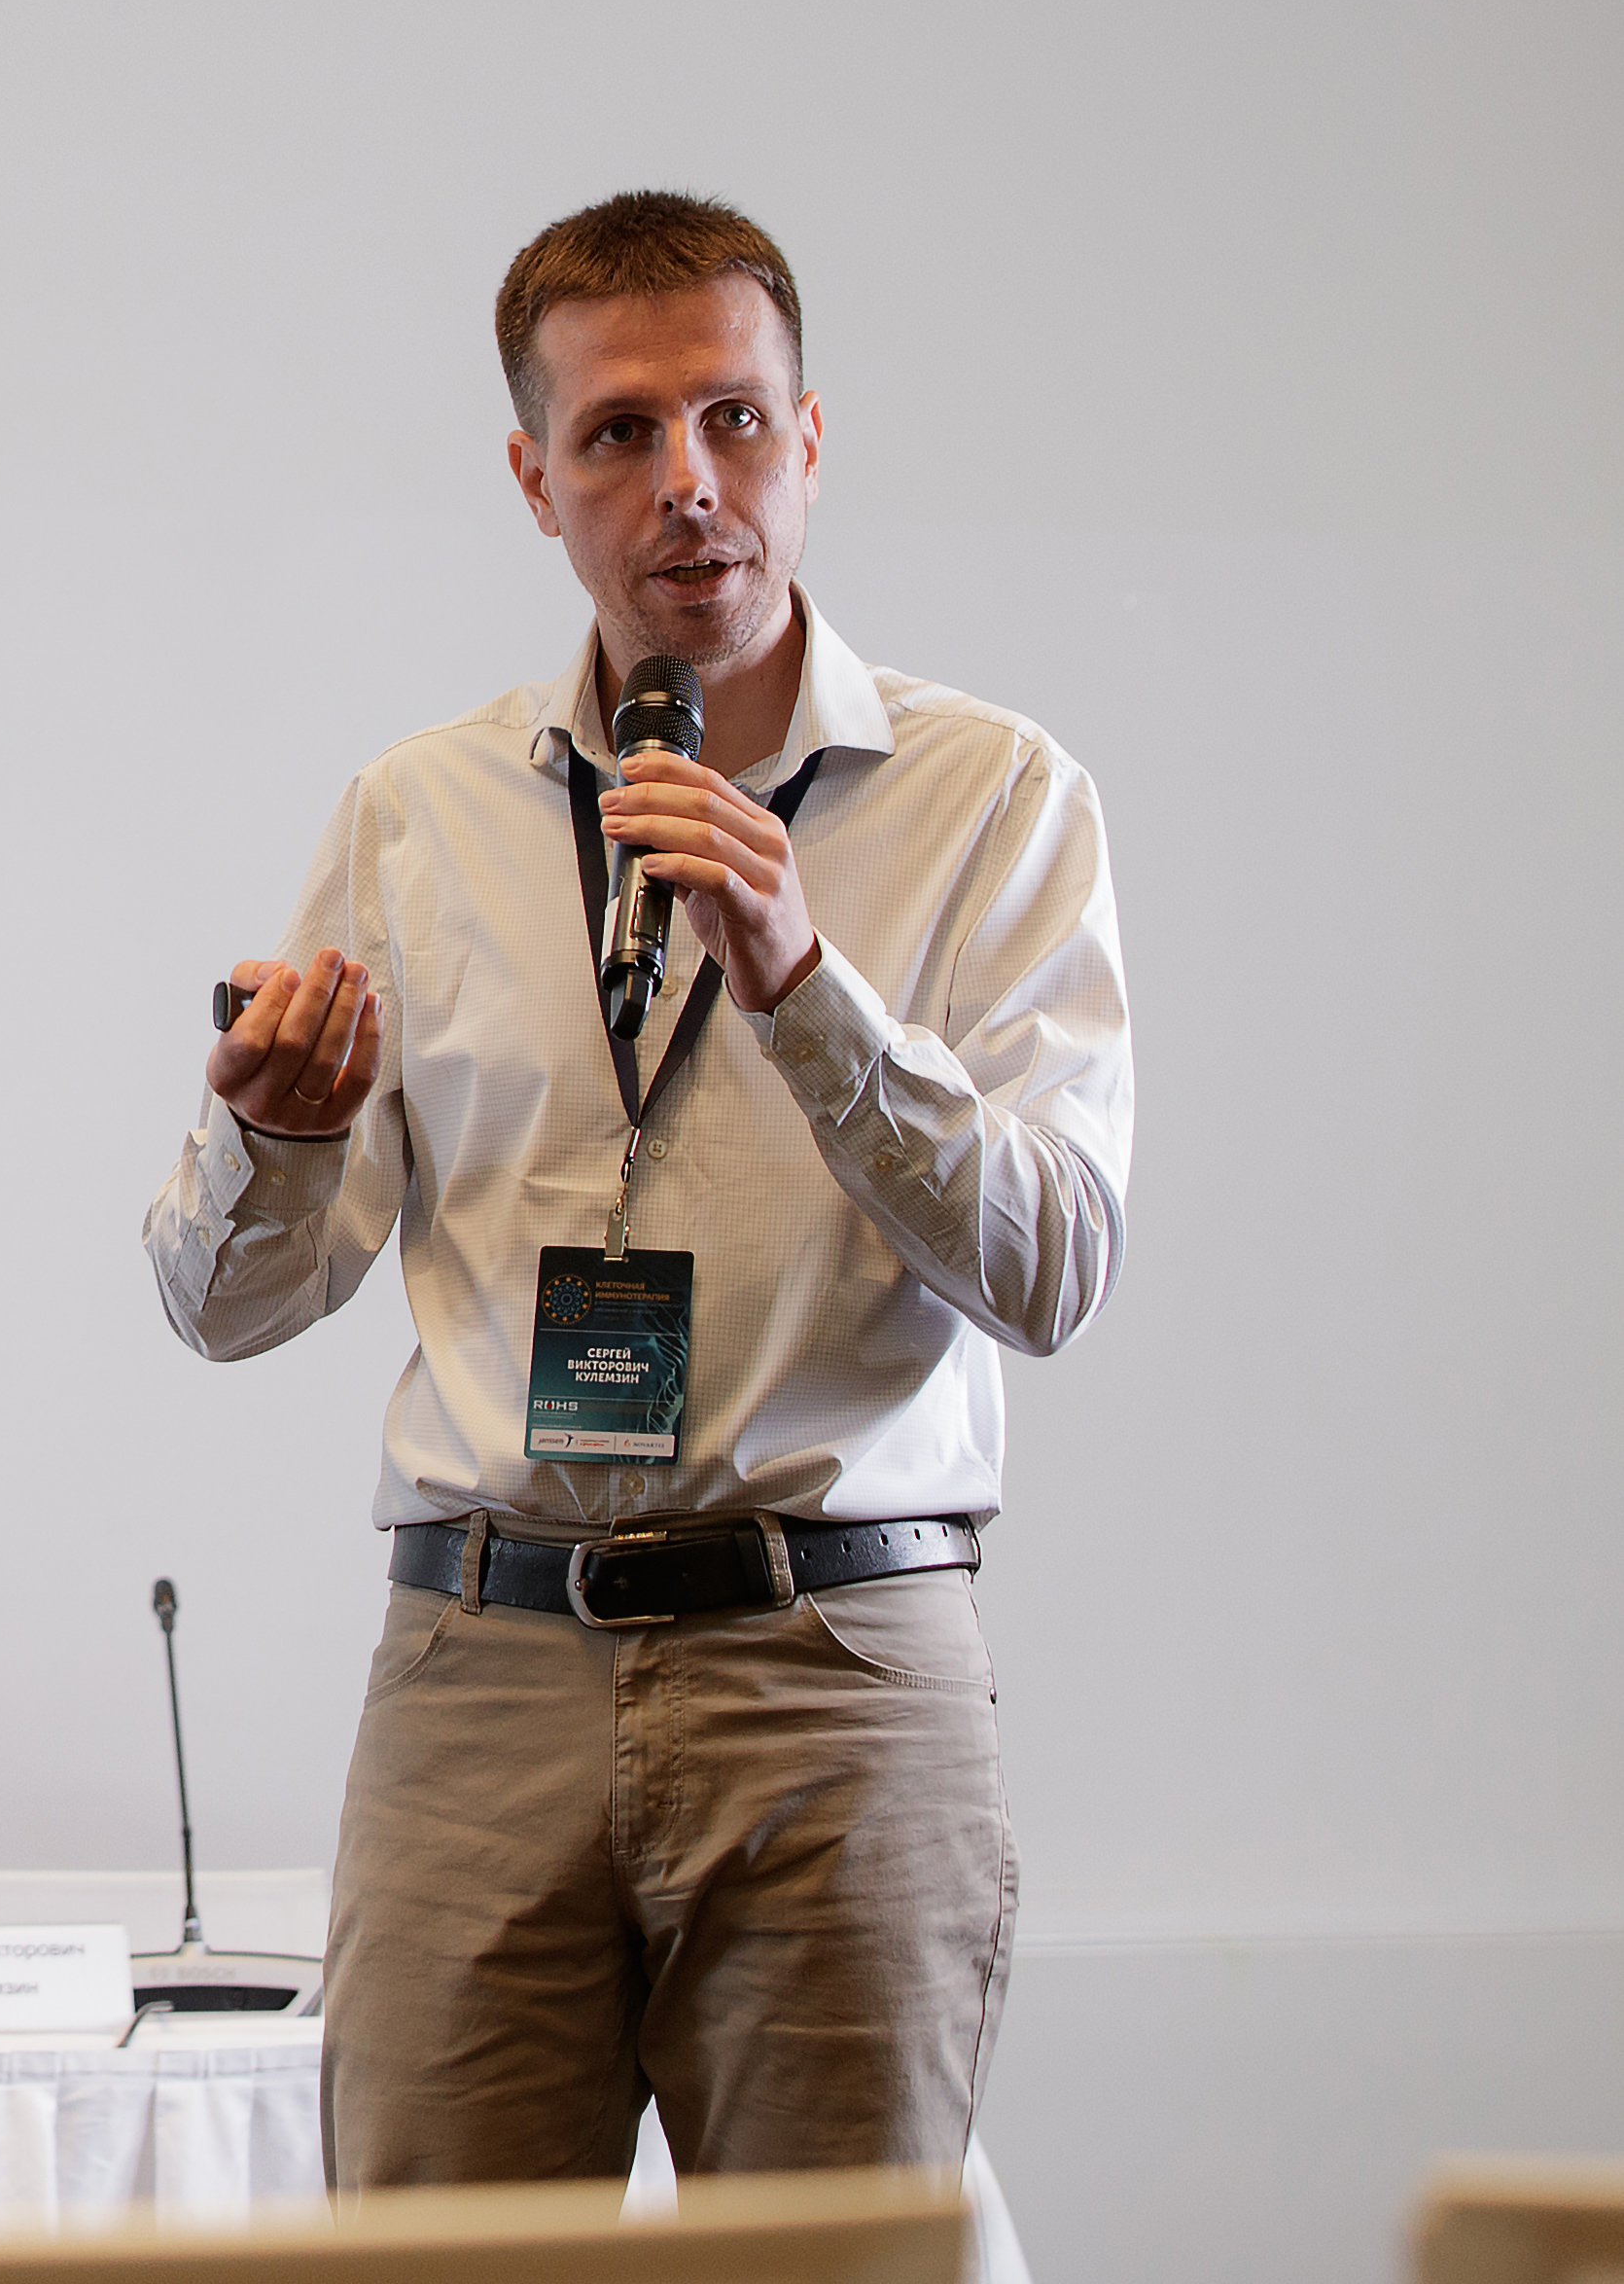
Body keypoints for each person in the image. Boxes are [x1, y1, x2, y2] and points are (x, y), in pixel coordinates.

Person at [145, 190, 1132, 2198]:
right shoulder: (418, 816)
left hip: (833, 1665)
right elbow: (221, 1305)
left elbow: (1054, 1268)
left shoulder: (996, 798)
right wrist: (275, 1136)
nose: (688, 482)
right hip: (481, 1667)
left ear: (809, 439)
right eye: (617, 433)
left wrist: (805, 987)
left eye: (733, 418)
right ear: (536, 480)